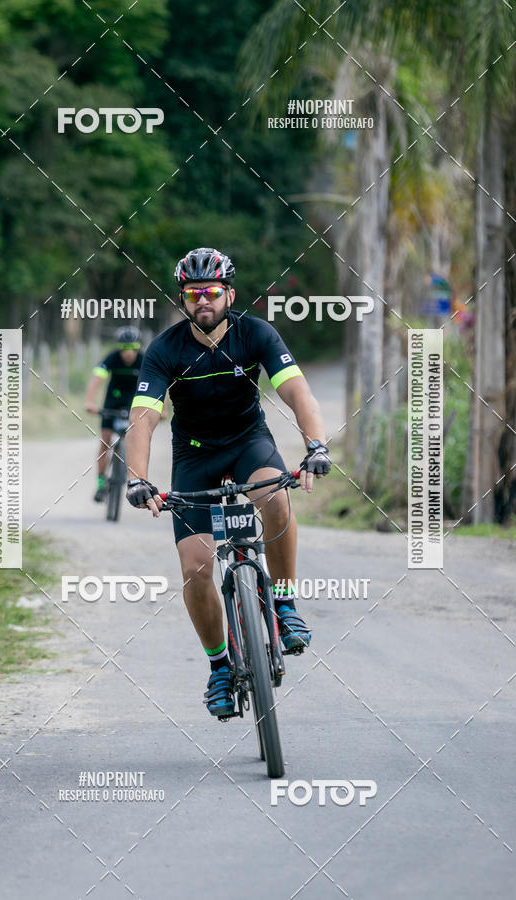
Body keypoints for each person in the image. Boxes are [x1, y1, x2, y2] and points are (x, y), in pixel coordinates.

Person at [125, 248, 331, 717]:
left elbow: (298, 393)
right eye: (194, 293)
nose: (203, 301)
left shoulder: (256, 333)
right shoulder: (165, 350)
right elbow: (143, 419)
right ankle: (219, 667)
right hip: (194, 456)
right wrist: (137, 479)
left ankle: (283, 603)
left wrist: (316, 445)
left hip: (247, 442)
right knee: (195, 566)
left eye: (212, 293)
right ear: (183, 298)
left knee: (275, 499)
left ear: (229, 295)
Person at [84, 325, 143, 502]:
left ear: (138, 347)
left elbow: (157, 383)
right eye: (124, 348)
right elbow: (97, 379)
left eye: (133, 348)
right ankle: (101, 483)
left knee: (137, 440)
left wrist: (162, 409)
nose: (128, 353)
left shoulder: (144, 360)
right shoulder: (112, 358)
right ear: (119, 347)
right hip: (112, 401)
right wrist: (89, 402)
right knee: (105, 441)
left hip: (134, 402)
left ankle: (136, 480)